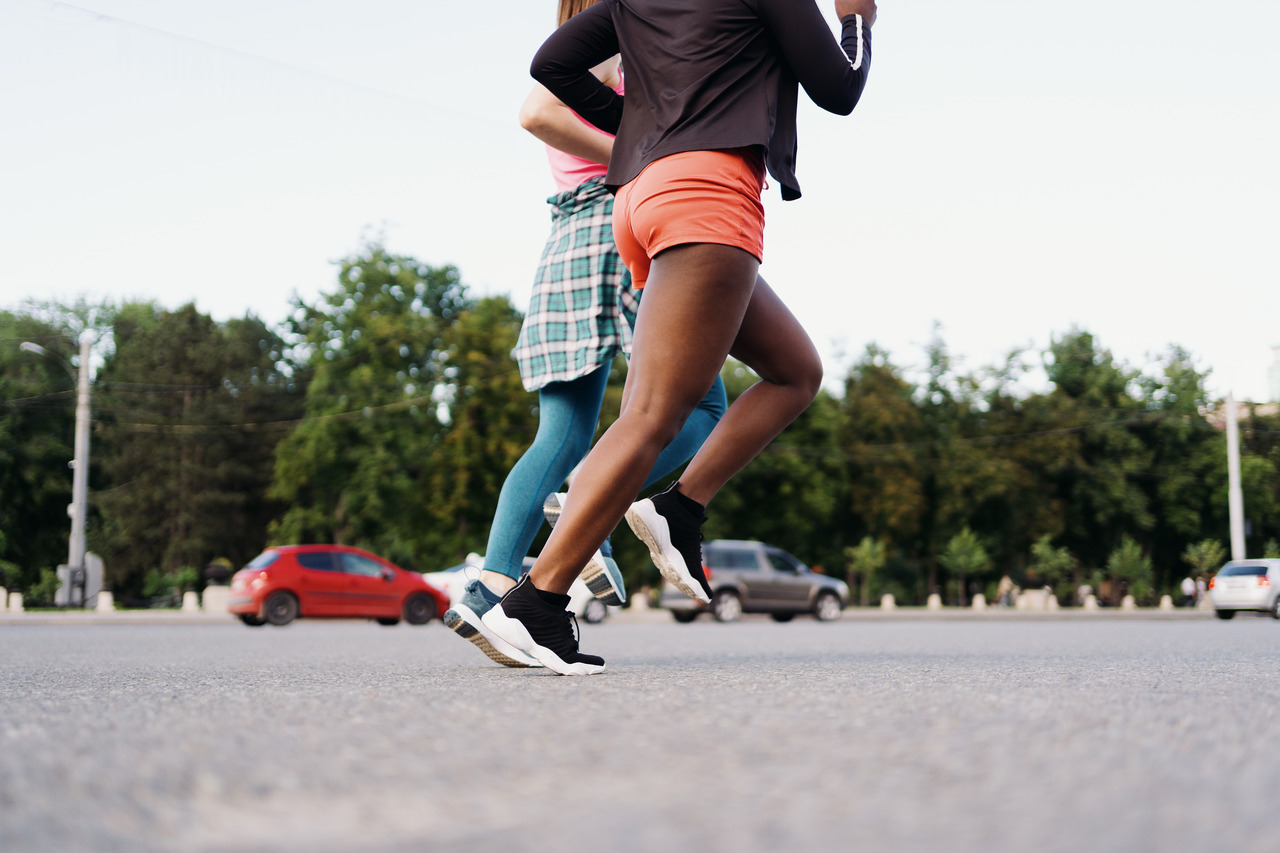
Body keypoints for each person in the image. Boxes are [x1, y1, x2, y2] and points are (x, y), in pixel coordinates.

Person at [483, 0, 878, 674]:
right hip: (708, 195)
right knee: (652, 417)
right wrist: (858, 22)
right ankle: (535, 601)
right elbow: (838, 88)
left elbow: (552, 63)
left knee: (794, 370)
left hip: (644, 196)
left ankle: (679, 509)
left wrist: (647, 129)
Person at [443, 0, 727, 668]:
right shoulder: (613, 45)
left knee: (562, 432)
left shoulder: (577, 44)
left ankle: (492, 582)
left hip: (567, 236)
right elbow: (536, 112)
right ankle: (589, 495)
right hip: (619, 225)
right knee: (704, 406)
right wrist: (638, 154)